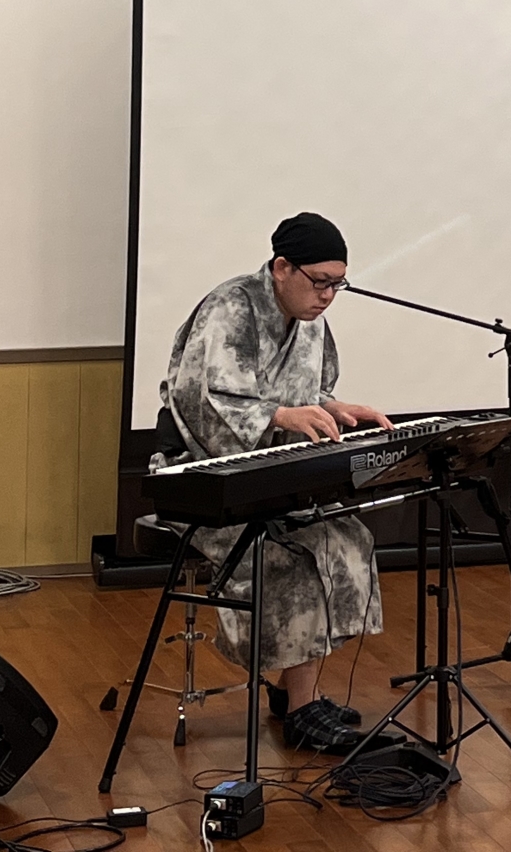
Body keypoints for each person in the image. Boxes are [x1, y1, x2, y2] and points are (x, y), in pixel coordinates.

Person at [155, 210, 392, 751]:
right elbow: (203, 403)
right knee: (293, 555)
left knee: (347, 537)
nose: (328, 296)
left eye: (338, 284)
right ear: (282, 267)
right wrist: (281, 417)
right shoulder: (230, 307)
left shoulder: (309, 319)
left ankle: (294, 693)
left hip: (273, 473)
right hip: (203, 474)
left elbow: (309, 391)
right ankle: (302, 710)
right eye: (320, 281)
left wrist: (335, 406)